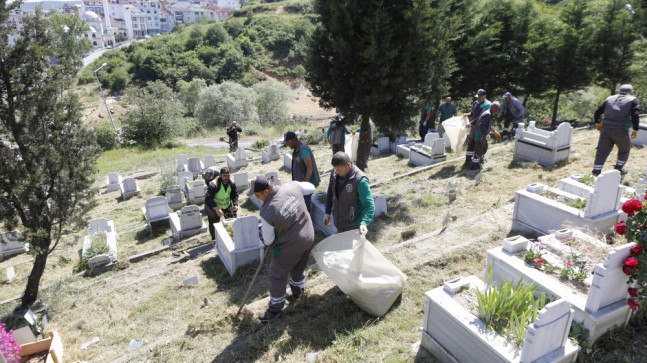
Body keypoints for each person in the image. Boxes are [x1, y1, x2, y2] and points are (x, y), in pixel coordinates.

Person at [250, 175, 315, 322]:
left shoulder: (267, 211)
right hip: (308, 235)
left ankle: (274, 310)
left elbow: (269, 240)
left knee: (277, 273)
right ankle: (299, 293)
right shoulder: (291, 186)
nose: (257, 198)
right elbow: (311, 187)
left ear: (266, 191)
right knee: (298, 267)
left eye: (257, 195)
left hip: (291, 244)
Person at [592, 84, 641, 176]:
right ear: (631, 92)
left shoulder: (609, 98)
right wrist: (636, 129)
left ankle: (596, 171)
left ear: (619, 91)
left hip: (605, 130)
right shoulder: (633, 100)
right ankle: (618, 169)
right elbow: (635, 115)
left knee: (602, 151)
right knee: (624, 150)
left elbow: (598, 111)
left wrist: (598, 122)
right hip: (621, 131)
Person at [324, 152, 375, 234]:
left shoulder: (360, 180)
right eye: (335, 168)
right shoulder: (334, 173)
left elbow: (369, 205)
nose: (336, 172)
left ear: (348, 165)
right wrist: (327, 212)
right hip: (339, 224)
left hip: (353, 227)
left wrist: (364, 223)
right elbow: (330, 192)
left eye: (339, 169)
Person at [284, 131, 320, 212]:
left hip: (306, 185)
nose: (287, 145)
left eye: (287, 142)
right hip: (300, 185)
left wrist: (305, 185)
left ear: (293, 140)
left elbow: (310, 168)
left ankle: (308, 222)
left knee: (306, 208)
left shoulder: (303, 149)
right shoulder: (297, 149)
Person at [204, 167, 238, 240]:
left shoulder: (232, 183)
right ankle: (215, 239)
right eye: (224, 176)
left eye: (228, 176)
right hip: (215, 207)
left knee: (231, 223)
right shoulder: (213, 185)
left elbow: (234, 195)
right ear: (220, 175)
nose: (227, 178)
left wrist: (235, 204)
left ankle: (231, 237)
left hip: (227, 205)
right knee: (214, 225)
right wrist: (216, 209)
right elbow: (208, 199)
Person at [462, 89, 492, 166]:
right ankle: (468, 160)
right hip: (474, 126)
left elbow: (480, 117)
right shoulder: (476, 103)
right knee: (471, 142)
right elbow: (472, 112)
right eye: (477, 97)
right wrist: (467, 114)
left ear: (484, 96)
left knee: (480, 143)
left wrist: (471, 123)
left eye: (480, 97)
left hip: (481, 127)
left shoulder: (487, 104)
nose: (478, 98)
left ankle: (479, 160)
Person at [470, 101, 502, 170]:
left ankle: (478, 162)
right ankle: (473, 166)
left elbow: (488, 125)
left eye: (498, 109)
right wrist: (486, 134)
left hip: (482, 134)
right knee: (479, 149)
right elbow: (481, 125)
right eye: (496, 108)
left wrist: (494, 131)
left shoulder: (490, 113)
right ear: (492, 107)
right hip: (480, 134)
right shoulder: (487, 114)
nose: (497, 110)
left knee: (483, 148)